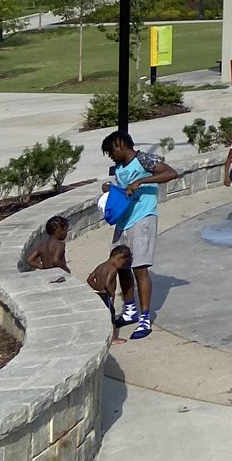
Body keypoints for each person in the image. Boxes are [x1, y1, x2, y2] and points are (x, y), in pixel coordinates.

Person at [99, 130, 179, 340]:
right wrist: (111, 188)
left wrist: (141, 182)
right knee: (120, 266)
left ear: (121, 145)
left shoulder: (144, 159)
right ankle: (129, 311)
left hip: (143, 219)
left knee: (140, 268)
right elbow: (124, 189)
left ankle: (145, 318)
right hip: (124, 220)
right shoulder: (119, 167)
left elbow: (171, 173)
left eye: (111, 151)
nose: (110, 156)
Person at [87, 245, 133, 346]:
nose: (122, 266)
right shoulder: (112, 269)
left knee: (102, 315)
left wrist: (97, 288)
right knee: (111, 316)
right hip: (106, 295)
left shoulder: (101, 266)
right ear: (119, 258)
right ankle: (114, 338)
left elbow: (90, 279)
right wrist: (111, 294)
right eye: (123, 263)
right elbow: (108, 283)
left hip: (98, 294)